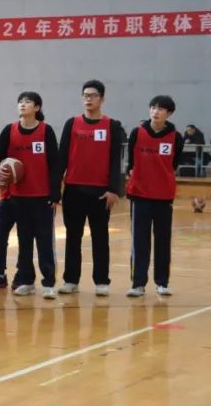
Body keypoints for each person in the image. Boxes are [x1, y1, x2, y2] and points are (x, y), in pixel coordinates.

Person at [57, 80, 124, 297]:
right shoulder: (72, 124)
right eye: (85, 95)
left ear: (102, 99)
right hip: (74, 190)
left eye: (93, 95)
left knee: (100, 238)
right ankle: (71, 280)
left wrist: (114, 189)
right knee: (73, 237)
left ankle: (102, 281)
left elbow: (116, 161)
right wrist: (54, 191)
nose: (89, 99)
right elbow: (62, 157)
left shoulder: (112, 125)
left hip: (101, 192)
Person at [0, 92, 60, 299]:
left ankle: (49, 283)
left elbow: (55, 163)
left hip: (42, 197)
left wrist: (55, 195)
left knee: (44, 241)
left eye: (27, 102)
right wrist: (0, 173)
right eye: (20, 102)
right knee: (24, 241)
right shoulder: (10, 130)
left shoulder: (46, 130)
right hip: (18, 196)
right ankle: (26, 280)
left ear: (37, 107)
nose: (22, 105)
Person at [126, 96, 183, 297]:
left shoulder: (176, 137)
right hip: (139, 195)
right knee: (139, 241)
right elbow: (131, 162)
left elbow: (173, 164)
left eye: (160, 109)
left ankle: (162, 282)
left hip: (163, 196)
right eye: (152, 107)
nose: (155, 111)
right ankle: (138, 283)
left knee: (162, 241)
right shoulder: (137, 133)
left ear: (169, 113)